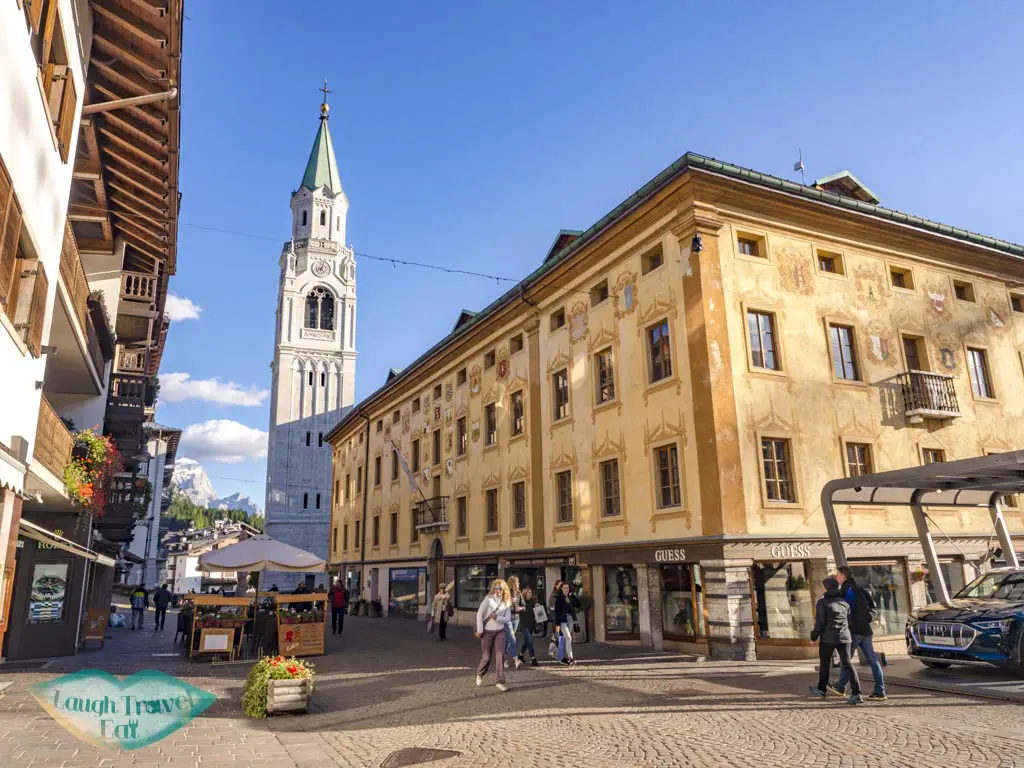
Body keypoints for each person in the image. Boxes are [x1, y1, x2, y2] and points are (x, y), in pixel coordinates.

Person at [830, 566, 886, 701]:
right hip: (866, 630)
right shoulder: (861, 590)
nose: (836, 577)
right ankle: (880, 691)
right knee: (873, 661)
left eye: (837, 574)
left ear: (843, 576)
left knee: (846, 661)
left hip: (854, 631)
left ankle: (841, 687)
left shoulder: (847, 591)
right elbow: (873, 607)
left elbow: (844, 611)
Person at [809, 576, 862, 705]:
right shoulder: (844, 603)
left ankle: (822, 689)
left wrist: (814, 637)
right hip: (844, 637)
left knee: (825, 663)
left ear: (826, 587)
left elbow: (820, 623)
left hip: (828, 638)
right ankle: (856, 693)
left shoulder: (823, 602)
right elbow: (849, 623)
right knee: (848, 664)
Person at [475, 579, 512, 691]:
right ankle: (480, 674)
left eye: (500, 588)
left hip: (500, 631)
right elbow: (479, 615)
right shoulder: (488, 599)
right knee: (486, 657)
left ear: (504, 590)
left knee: (500, 655)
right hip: (487, 632)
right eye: (495, 588)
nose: (497, 590)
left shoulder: (506, 602)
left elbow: (508, 618)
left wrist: (497, 618)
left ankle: (500, 681)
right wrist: (480, 630)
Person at [554, 582, 581, 666]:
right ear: (561, 589)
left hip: (570, 619)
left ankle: (563, 657)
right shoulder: (559, 598)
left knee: (567, 639)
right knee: (568, 637)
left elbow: (578, 605)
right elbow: (557, 612)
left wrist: (572, 595)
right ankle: (570, 657)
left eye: (567, 588)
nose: (566, 589)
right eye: (565, 588)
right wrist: (557, 625)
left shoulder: (570, 597)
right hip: (562, 620)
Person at [518, 586, 540, 666]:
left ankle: (520, 655)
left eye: (531, 593)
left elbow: (537, 612)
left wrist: (538, 607)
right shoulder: (521, 602)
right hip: (524, 625)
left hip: (531, 624)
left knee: (526, 642)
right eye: (529, 592)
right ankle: (533, 658)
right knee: (530, 640)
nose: (531, 594)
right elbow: (516, 609)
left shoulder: (533, 601)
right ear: (525, 593)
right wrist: (521, 608)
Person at [505, 576, 525, 668]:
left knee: (509, 640)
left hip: (516, 619)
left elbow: (524, 606)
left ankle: (503, 658)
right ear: (513, 583)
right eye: (517, 582)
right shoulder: (506, 593)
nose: (519, 584)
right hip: (507, 619)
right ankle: (516, 660)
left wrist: (520, 608)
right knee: (513, 639)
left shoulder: (518, 593)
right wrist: (509, 602)